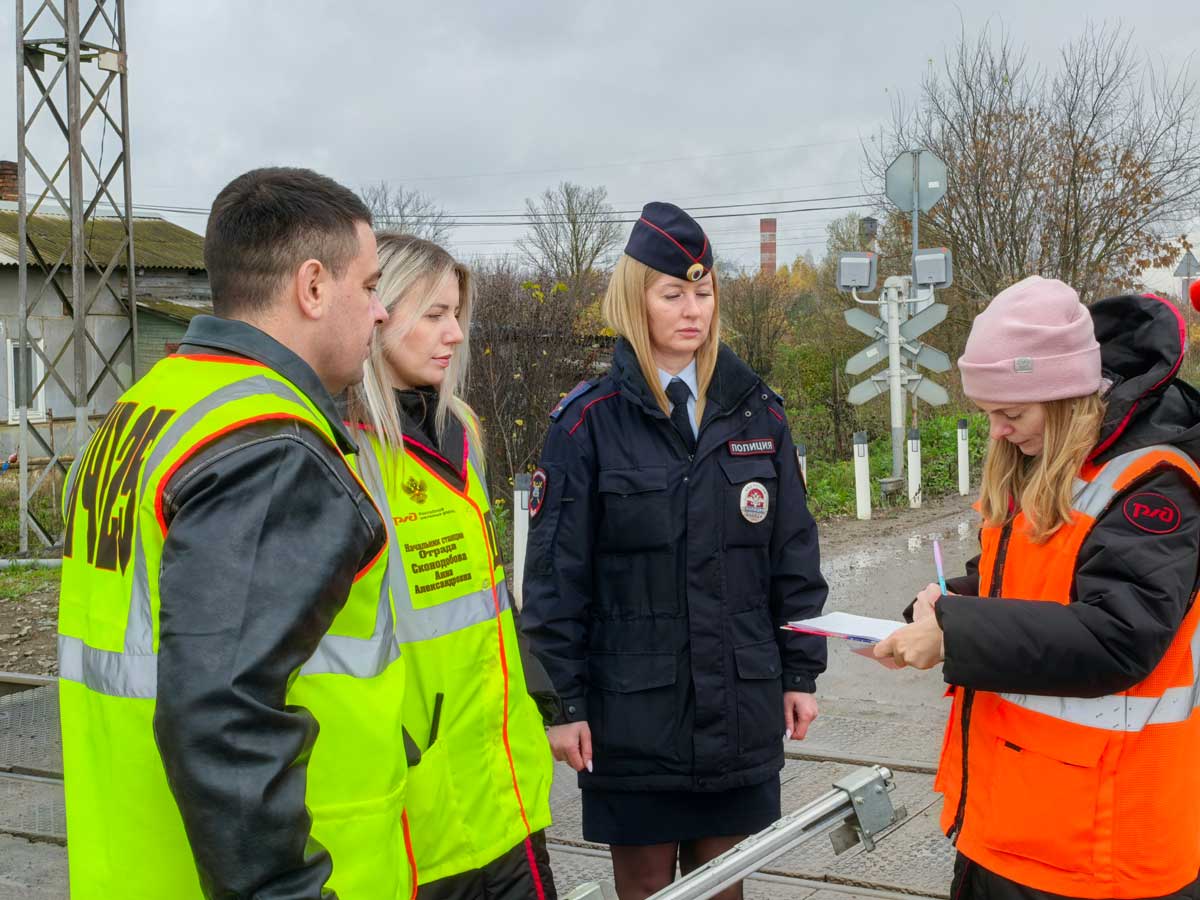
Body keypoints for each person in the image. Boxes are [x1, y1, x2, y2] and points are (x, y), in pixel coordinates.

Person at [57, 168, 415, 899]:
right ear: (312, 287)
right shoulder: (268, 445)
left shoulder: (150, 406)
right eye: (371, 286)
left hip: (131, 862)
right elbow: (223, 717)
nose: (381, 314)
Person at [520, 202, 828, 900]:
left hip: (739, 707)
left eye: (704, 291)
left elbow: (793, 558)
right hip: (633, 715)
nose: (693, 310)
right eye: (673, 294)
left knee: (725, 887)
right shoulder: (588, 424)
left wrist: (801, 673)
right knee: (651, 892)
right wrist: (561, 703)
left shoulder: (759, 414)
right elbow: (553, 580)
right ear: (637, 299)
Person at [875, 277, 1200, 900]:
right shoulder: (1053, 458)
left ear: (1063, 397)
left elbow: (1118, 637)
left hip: (1099, 847)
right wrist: (938, 605)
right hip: (1017, 823)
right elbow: (1026, 576)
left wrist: (956, 633)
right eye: (989, 413)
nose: (998, 431)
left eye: (1011, 413)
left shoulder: (1153, 484)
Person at [344, 234, 557, 900]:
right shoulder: (341, 449)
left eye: (457, 313)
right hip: (421, 808)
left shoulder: (460, 429)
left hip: (505, 784)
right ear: (378, 312)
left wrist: (545, 694)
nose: (455, 333)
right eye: (434, 314)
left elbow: (487, 591)